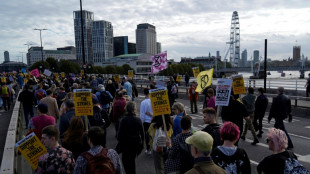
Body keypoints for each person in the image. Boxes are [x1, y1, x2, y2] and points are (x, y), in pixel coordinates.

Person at [117, 101, 144, 174]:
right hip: (135, 144)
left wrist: (120, 141)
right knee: (132, 160)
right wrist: (142, 144)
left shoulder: (123, 120)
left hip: (125, 144)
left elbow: (119, 134)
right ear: (134, 109)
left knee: (125, 161)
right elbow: (142, 134)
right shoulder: (138, 120)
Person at [140, 88, 153, 155]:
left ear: (144, 93)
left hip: (146, 122)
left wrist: (141, 123)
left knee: (147, 136)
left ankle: (148, 149)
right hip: (153, 120)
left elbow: (142, 114)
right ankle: (154, 148)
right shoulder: (153, 101)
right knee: (153, 135)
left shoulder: (143, 102)